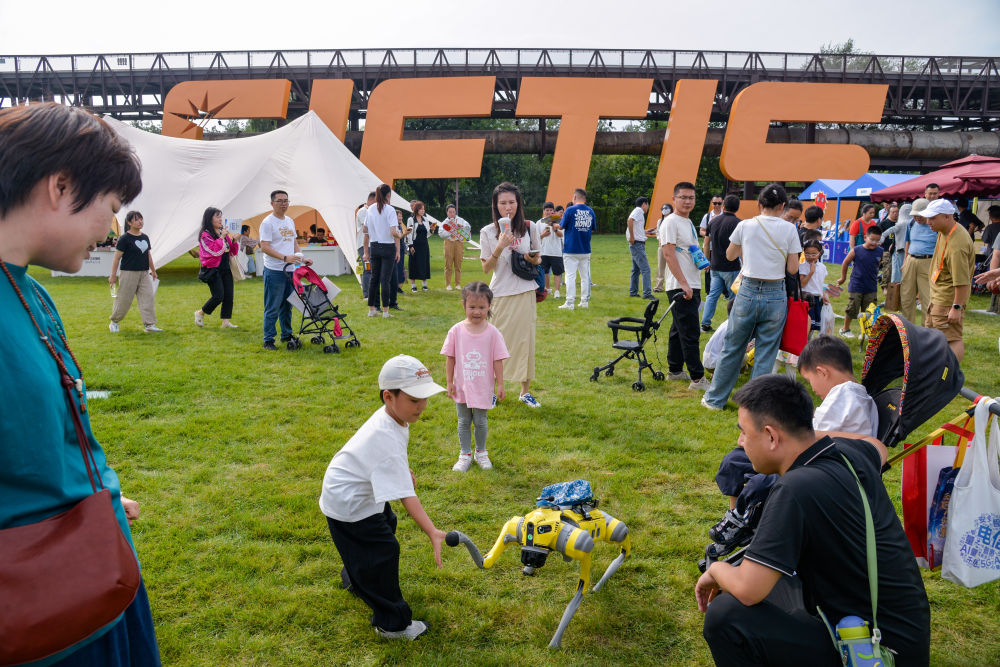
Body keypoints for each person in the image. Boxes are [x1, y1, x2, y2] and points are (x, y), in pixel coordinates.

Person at [0, 102, 161, 664]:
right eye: (111, 209)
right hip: (34, 605)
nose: (111, 230)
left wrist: (97, 495)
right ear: (61, 186)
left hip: (92, 570)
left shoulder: (32, 291)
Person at [697, 374, 929, 667]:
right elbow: (876, 445)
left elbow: (748, 589)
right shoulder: (849, 453)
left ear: (771, 436)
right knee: (775, 576)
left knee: (726, 616)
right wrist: (802, 432)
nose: (740, 442)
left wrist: (716, 569)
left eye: (743, 432)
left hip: (874, 652)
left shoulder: (794, 489)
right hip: (905, 635)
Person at [318, 354, 448, 641]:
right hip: (349, 503)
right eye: (414, 400)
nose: (422, 406)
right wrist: (432, 531)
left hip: (353, 493)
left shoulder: (395, 418)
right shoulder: (384, 433)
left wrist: (403, 470)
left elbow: (388, 457)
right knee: (383, 550)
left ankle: (356, 577)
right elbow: (407, 497)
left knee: (386, 523)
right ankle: (392, 625)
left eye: (425, 398)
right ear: (389, 396)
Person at [710, 335, 878, 554]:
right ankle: (739, 519)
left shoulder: (842, 396)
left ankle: (740, 519)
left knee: (746, 468)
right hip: (824, 462)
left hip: (815, 465)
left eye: (809, 380)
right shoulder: (858, 396)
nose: (813, 389)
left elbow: (807, 436)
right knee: (737, 460)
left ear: (822, 372)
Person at [702, 184, 802, 411]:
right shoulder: (789, 229)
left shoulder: (745, 225)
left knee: (733, 347)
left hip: (747, 290)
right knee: (766, 353)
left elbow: (730, 255)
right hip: (775, 293)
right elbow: (793, 268)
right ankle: (754, 405)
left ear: (759, 204)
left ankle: (715, 400)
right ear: (783, 206)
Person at [479, 181, 543, 408]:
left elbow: (538, 258)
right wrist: (500, 246)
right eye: (503, 203)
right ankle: (493, 390)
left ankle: (525, 392)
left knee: (526, 342)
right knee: (497, 344)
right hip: (500, 293)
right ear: (495, 205)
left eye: (512, 202)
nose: (508, 207)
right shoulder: (487, 231)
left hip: (525, 291)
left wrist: (531, 258)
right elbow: (486, 268)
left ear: (518, 203)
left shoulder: (529, 227)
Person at [441, 282, 509, 472]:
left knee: (480, 421)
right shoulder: (456, 331)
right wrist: (449, 382)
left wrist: (500, 384)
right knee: (463, 421)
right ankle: (465, 454)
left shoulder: (493, 333)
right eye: (472, 307)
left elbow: (497, 360)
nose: (477, 312)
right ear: (463, 305)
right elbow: (450, 358)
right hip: (461, 386)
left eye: (481, 307)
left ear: (489, 306)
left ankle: (481, 452)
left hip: (483, 387)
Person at [660, 182, 710, 391]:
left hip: (690, 282)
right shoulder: (670, 222)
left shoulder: (687, 221)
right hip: (681, 285)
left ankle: (675, 370)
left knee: (678, 329)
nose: (688, 201)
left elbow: (688, 250)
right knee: (690, 332)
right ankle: (698, 379)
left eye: (691, 198)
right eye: (683, 197)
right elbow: (668, 254)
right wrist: (683, 283)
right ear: (674, 199)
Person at [923, 198, 975, 361]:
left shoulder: (957, 245)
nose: (928, 222)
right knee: (934, 337)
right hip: (939, 297)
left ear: (947, 216)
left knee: (952, 339)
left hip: (948, 301)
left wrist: (956, 307)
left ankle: (951, 373)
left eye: (932, 218)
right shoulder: (944, 231)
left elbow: (962, 281)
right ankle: (938, 371)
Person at [259, 190, 313, 347]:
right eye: (280, 201)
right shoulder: (267, 222)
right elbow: (264, 247)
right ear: (272, 203)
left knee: (287, 305)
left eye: (286, 201)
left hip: (290, 271)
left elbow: (294, 243)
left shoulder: (289, 221)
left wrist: (302, 258)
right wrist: (284, 258)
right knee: (272, 307)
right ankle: (269, 340)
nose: (283, 204)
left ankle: (287, 335)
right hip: (274, 270)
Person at [108, 210, 161, 333]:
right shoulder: (124, 238)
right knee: (124, 299)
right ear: (129, 222)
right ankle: (114, 322)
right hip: (128, 273)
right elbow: (116, 258)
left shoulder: (145, 237)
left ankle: (149, 324)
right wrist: (113, 276)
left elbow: (148, 255)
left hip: (144, 273)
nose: (140, 222)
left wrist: (153, 271)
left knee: (148, 297)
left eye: (141, 219)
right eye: (136, 219)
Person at [194, 207, 240, 330]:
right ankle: (200, 313)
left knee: (229, 295)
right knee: (218, 296)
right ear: (210, 219)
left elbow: (231, 251)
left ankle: (226, 322)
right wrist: (221, 237)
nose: (220, 219)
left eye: (221, 216)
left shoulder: (222, 231)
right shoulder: (205, 235)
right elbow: (214, 252)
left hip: (226, 268)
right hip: (213, 270)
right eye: (217, 217)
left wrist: (234, 241)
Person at [701, 194, 742, 332]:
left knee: (712, 296)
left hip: (715, 265)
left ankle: (705, 323)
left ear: (723, 206)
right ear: (737, 208)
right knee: (734, 297)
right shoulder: (739, 223)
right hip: (732, 267)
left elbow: (706, 243)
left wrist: (707, 261)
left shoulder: (713, 222)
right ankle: (733, 325)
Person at [836, 226, 883, 338]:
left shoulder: (880, 251)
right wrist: (843, 278)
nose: (874, 243)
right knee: (852, 308)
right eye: (872, 239)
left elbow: (879, 265)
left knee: (869, 310)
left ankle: (866, 332)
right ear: (865, 237)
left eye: (877, 240)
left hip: (871, 287)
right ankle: (845, 329)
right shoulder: (856, 250)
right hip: (856, 285)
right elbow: (845, 263)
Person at [364, 184, 401, 318]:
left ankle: (372, 309)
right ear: (388, 195)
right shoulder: (390, 210)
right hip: (387, 247)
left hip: (374, 246)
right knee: (385, 280)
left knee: (374, 278)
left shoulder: (370, 209)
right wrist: (401, 234)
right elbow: (393, 231)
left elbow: (365, 230)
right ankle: (385, 311)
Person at [559, 187, 596, 310]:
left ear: (574, 197)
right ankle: (584, 302)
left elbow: (561, 226)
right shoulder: (591, 211)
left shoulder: (570, 210)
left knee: (570, 276)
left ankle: (570, 302)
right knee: (585, 277)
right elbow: (593, 228)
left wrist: (555, 225)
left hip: (571, 249)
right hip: (585, 249)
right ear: (584, 198)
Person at [900, 197, 935, 325]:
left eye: (919, 215)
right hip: (911, 260)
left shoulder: (935, 225)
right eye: (914, 215)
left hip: (928, 261)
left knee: (928, 297)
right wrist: (905, 261)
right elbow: (908, 242)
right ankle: (908, 328)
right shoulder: (911, 223)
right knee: (906, 296)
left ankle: (927, 329)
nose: (916, 218)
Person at [439, 203, 471, 291]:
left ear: (455, 212)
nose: (452, 213)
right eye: (450, 212)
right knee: (448, 264)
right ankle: (448, 284)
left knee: (458, 264)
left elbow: (468, 228)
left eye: (453, 212)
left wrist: (461, 228)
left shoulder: (461, 220)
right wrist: (451, 230)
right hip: (449, 243)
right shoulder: (444, 223)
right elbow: (441, 234)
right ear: (447, 212)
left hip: (459, 243)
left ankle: (458, 284)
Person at [627, 195, 652, 299]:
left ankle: (633, 292)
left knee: (636, 270)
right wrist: (632, 237)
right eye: (648, 205)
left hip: (636, 244)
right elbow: (630, 220)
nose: (648, 207)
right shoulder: (638, 211)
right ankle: (647, 294)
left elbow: (635, 226)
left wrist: (645, 231)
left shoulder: (638, 212)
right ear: (644, 204)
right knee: (646, 270)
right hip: (637, 244)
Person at [537, 201, 564, 298]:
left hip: (556, 251)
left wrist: (554, 228)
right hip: (544, 251)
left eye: (550, 210)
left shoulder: (559, 221)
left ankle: (557, 291)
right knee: (545, 271)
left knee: (557, 272)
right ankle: (547, 289)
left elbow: (561, 235)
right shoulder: (539, 222)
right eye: (547, 210)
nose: (548, 212)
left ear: (553, 211)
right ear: (543, 211)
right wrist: (543, 235)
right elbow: (536, 238)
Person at [799, 239, 828, 329]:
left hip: (816, 298)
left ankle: (809, 337)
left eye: (814, 254)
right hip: (806, 298)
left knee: (814, 325)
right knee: (806, 323)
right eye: (807, 254)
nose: (810, 257)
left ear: (819, 253)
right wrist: (811, 272)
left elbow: (820, 283)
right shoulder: (802, 266)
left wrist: (823, 295)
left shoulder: (822, 267)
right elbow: (802, 284)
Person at [407, 200, 432, 292]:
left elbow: (428, 233)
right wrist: (410, 246)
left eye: (424, 209)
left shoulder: (425, 219)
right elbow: (409, 233)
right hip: (415, 244)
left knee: (424, 263)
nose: (423, 211)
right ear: (417, 209)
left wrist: (432, 230)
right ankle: (413, 285)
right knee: (413, 264)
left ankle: (424, 285)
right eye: (421, 209)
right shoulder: (411, 219)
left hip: (424, 244)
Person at [357, 192, 375, 299]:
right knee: (367, 269)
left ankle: (372, 292)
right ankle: (366, 294)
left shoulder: (370, 211)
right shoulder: (363, 211)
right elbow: (367, 227)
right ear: (372, 200)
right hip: (364, 246)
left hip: (371, 244)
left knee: (372, 269)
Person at [653, 203, 674, 292]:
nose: (665, 210)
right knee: (661, 267)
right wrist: (660, 240)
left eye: (667, 208)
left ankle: (672, 286)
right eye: (663, 208)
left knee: (672, 267)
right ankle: (659, 286)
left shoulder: (674, 220)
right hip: (662, 246)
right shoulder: (660, 221)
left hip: (672, 246)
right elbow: (658, 232)